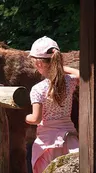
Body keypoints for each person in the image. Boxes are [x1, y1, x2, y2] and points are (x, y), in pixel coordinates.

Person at [25, 36, 79, 173]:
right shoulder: (69, 82)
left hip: (47, 146)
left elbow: (35, 119)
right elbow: (82, 74)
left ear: (39, 64)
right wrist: (61, 68)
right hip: (71, 141)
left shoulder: (38, 89)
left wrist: (23, 117)